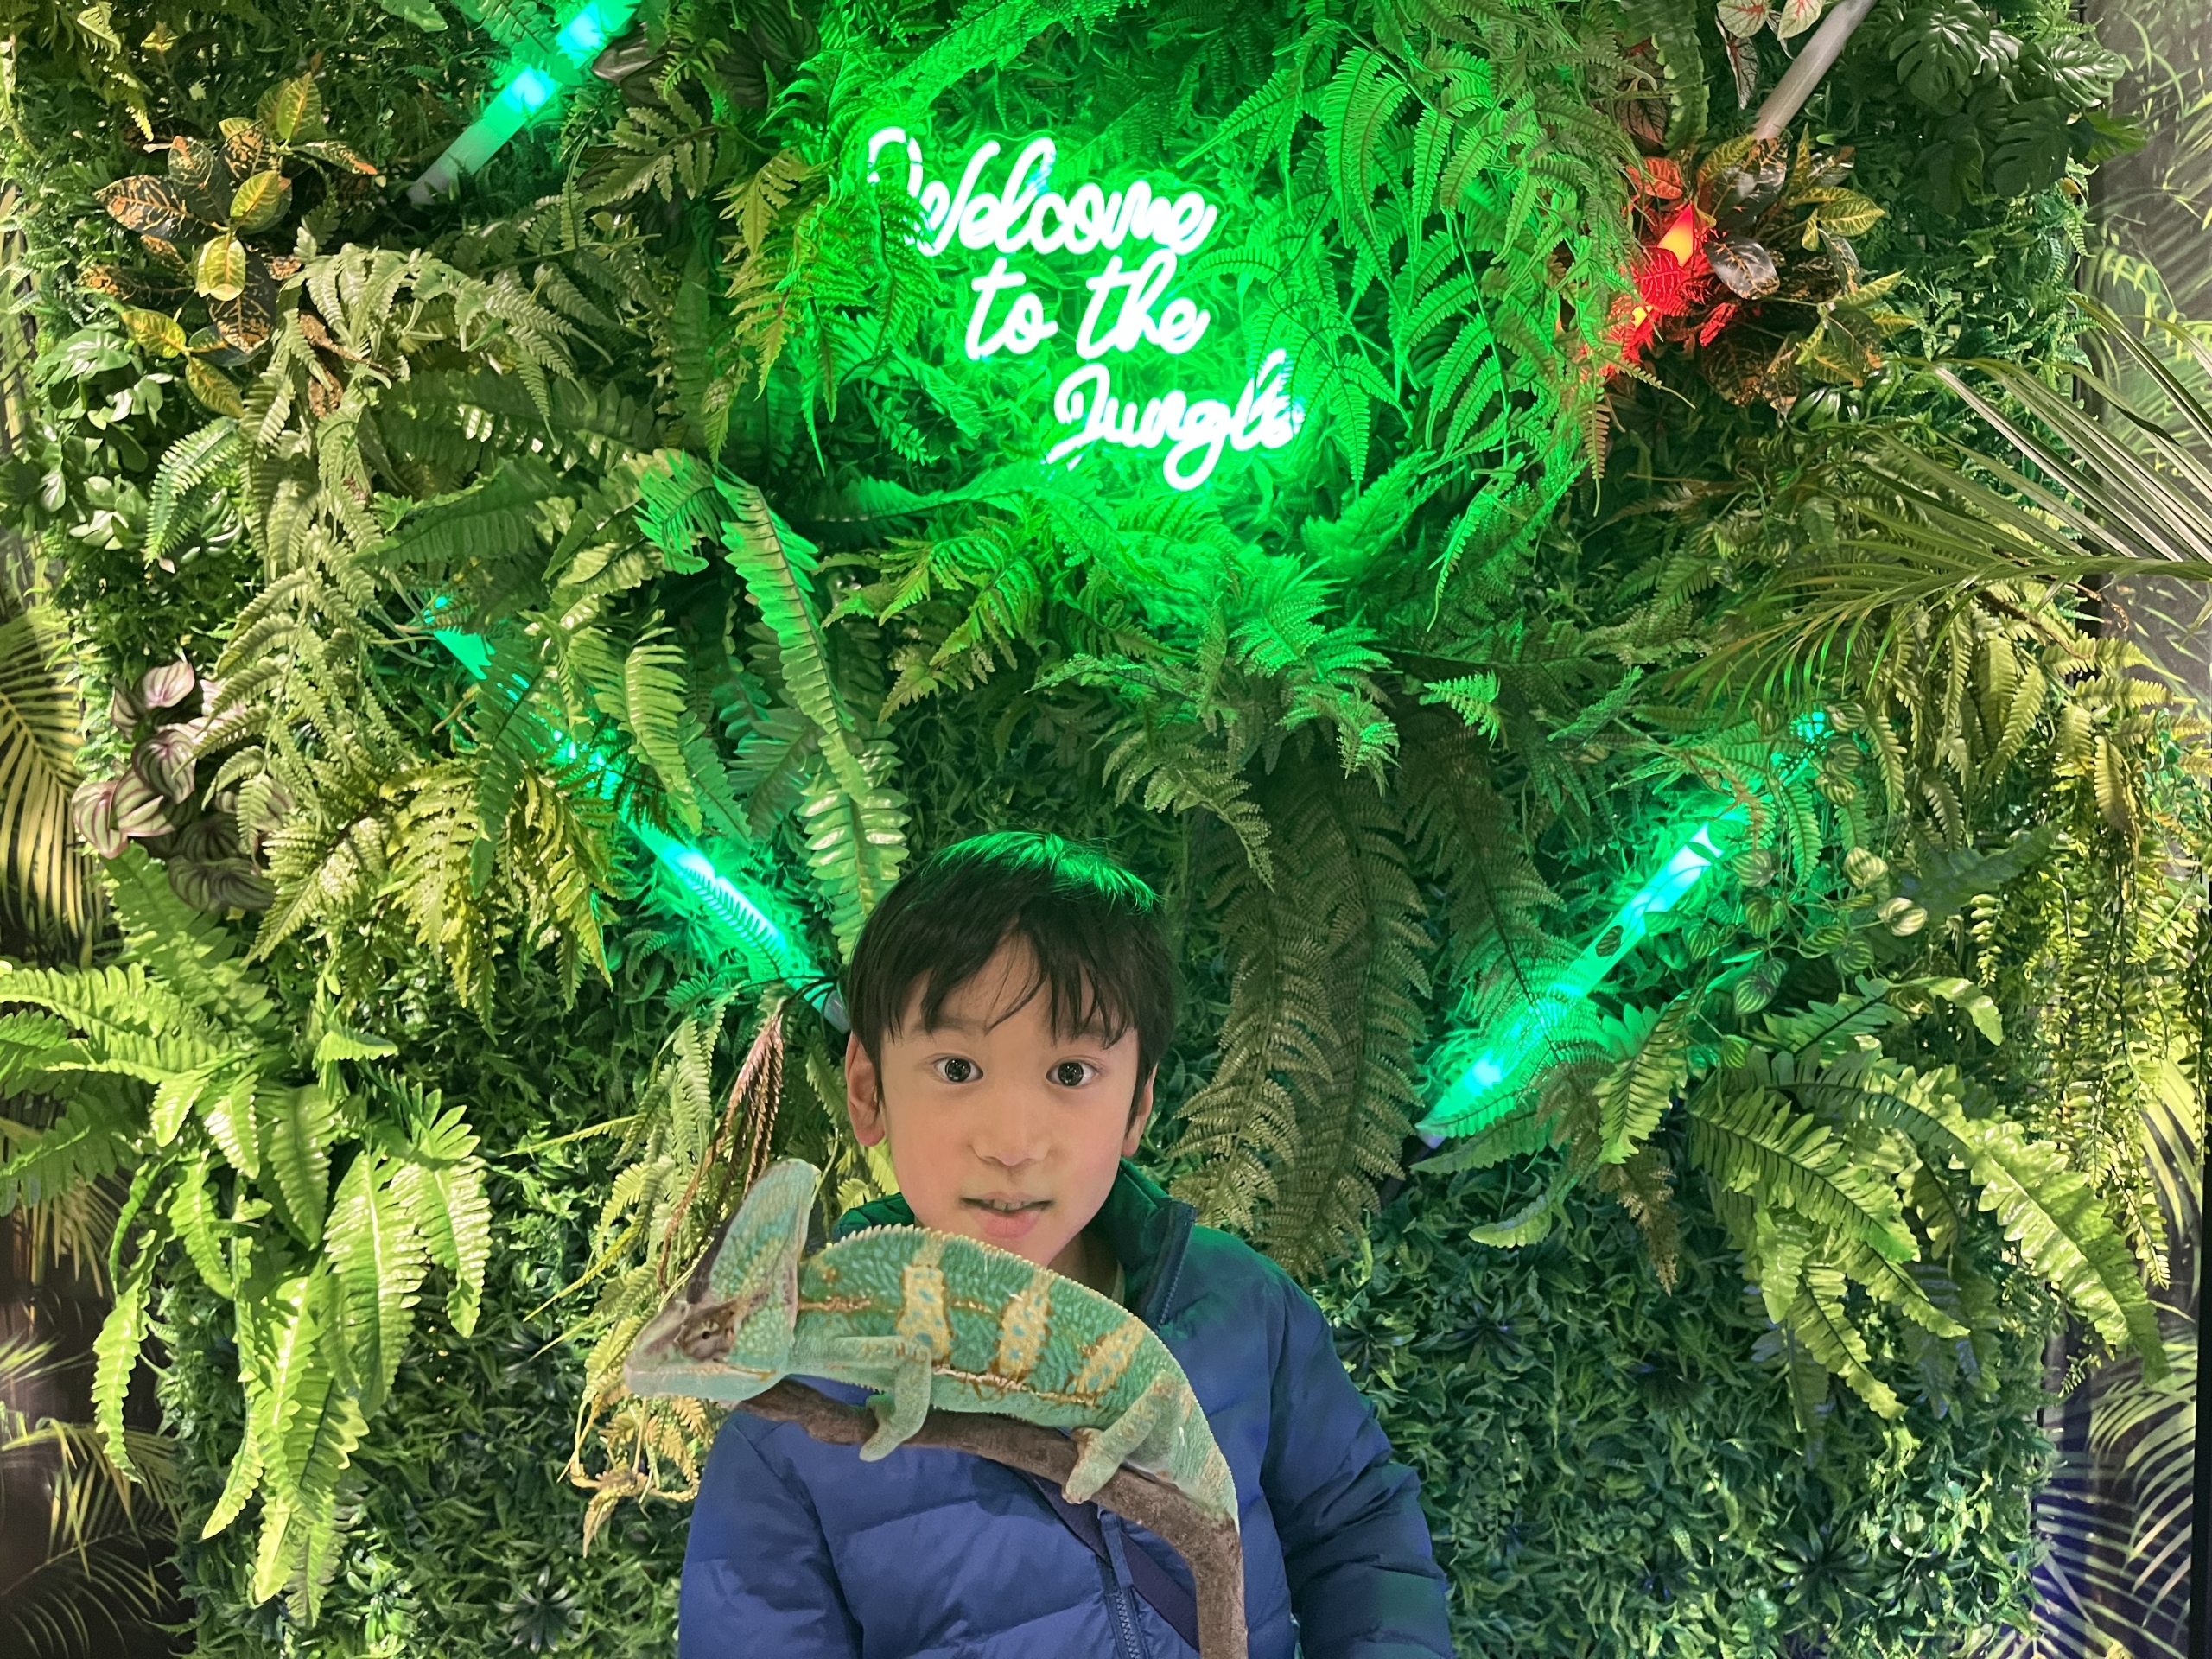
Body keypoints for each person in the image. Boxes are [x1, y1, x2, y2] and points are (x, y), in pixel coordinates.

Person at [679, 831, 1452, 1657]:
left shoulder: (1242, 1308)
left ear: (1138, 1105)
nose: (1013, 1144)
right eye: (956, 1068)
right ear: (868, 1090)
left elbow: (1360, 1528)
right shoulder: (793, 1423)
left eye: (1072, 1073)